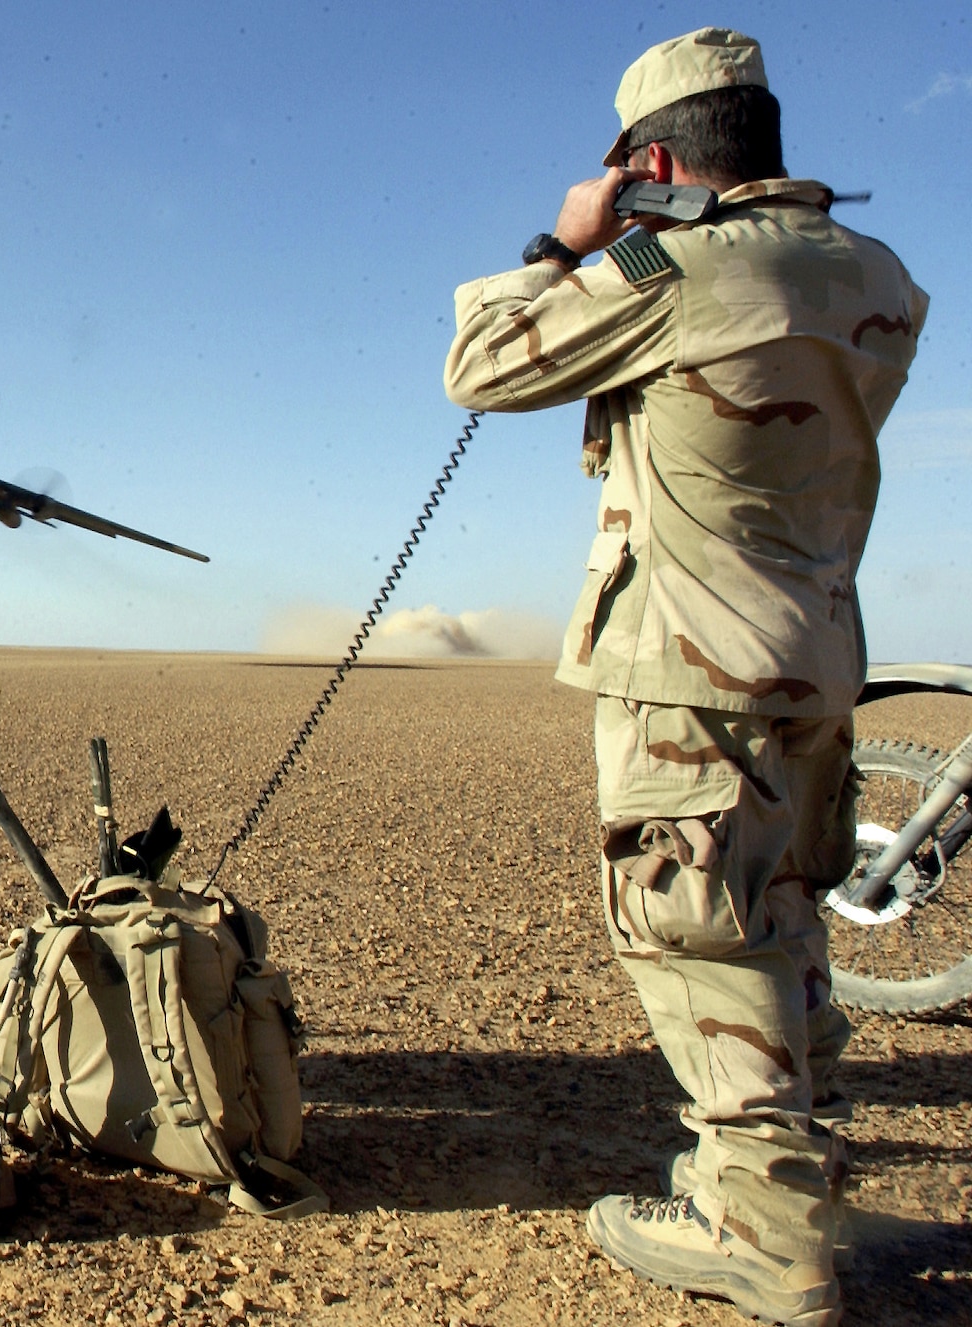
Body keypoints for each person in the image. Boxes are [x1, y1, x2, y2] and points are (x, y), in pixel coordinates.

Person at [443, 28, 924, 1327]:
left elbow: (483, 360)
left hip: (695, 667)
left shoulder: (674, 264)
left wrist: (569, 238)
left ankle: (761, 1225)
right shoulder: (875, 272)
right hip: (817, 655)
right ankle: (802, 1175)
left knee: (693, 925)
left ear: (655, 161)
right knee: (776, 909)